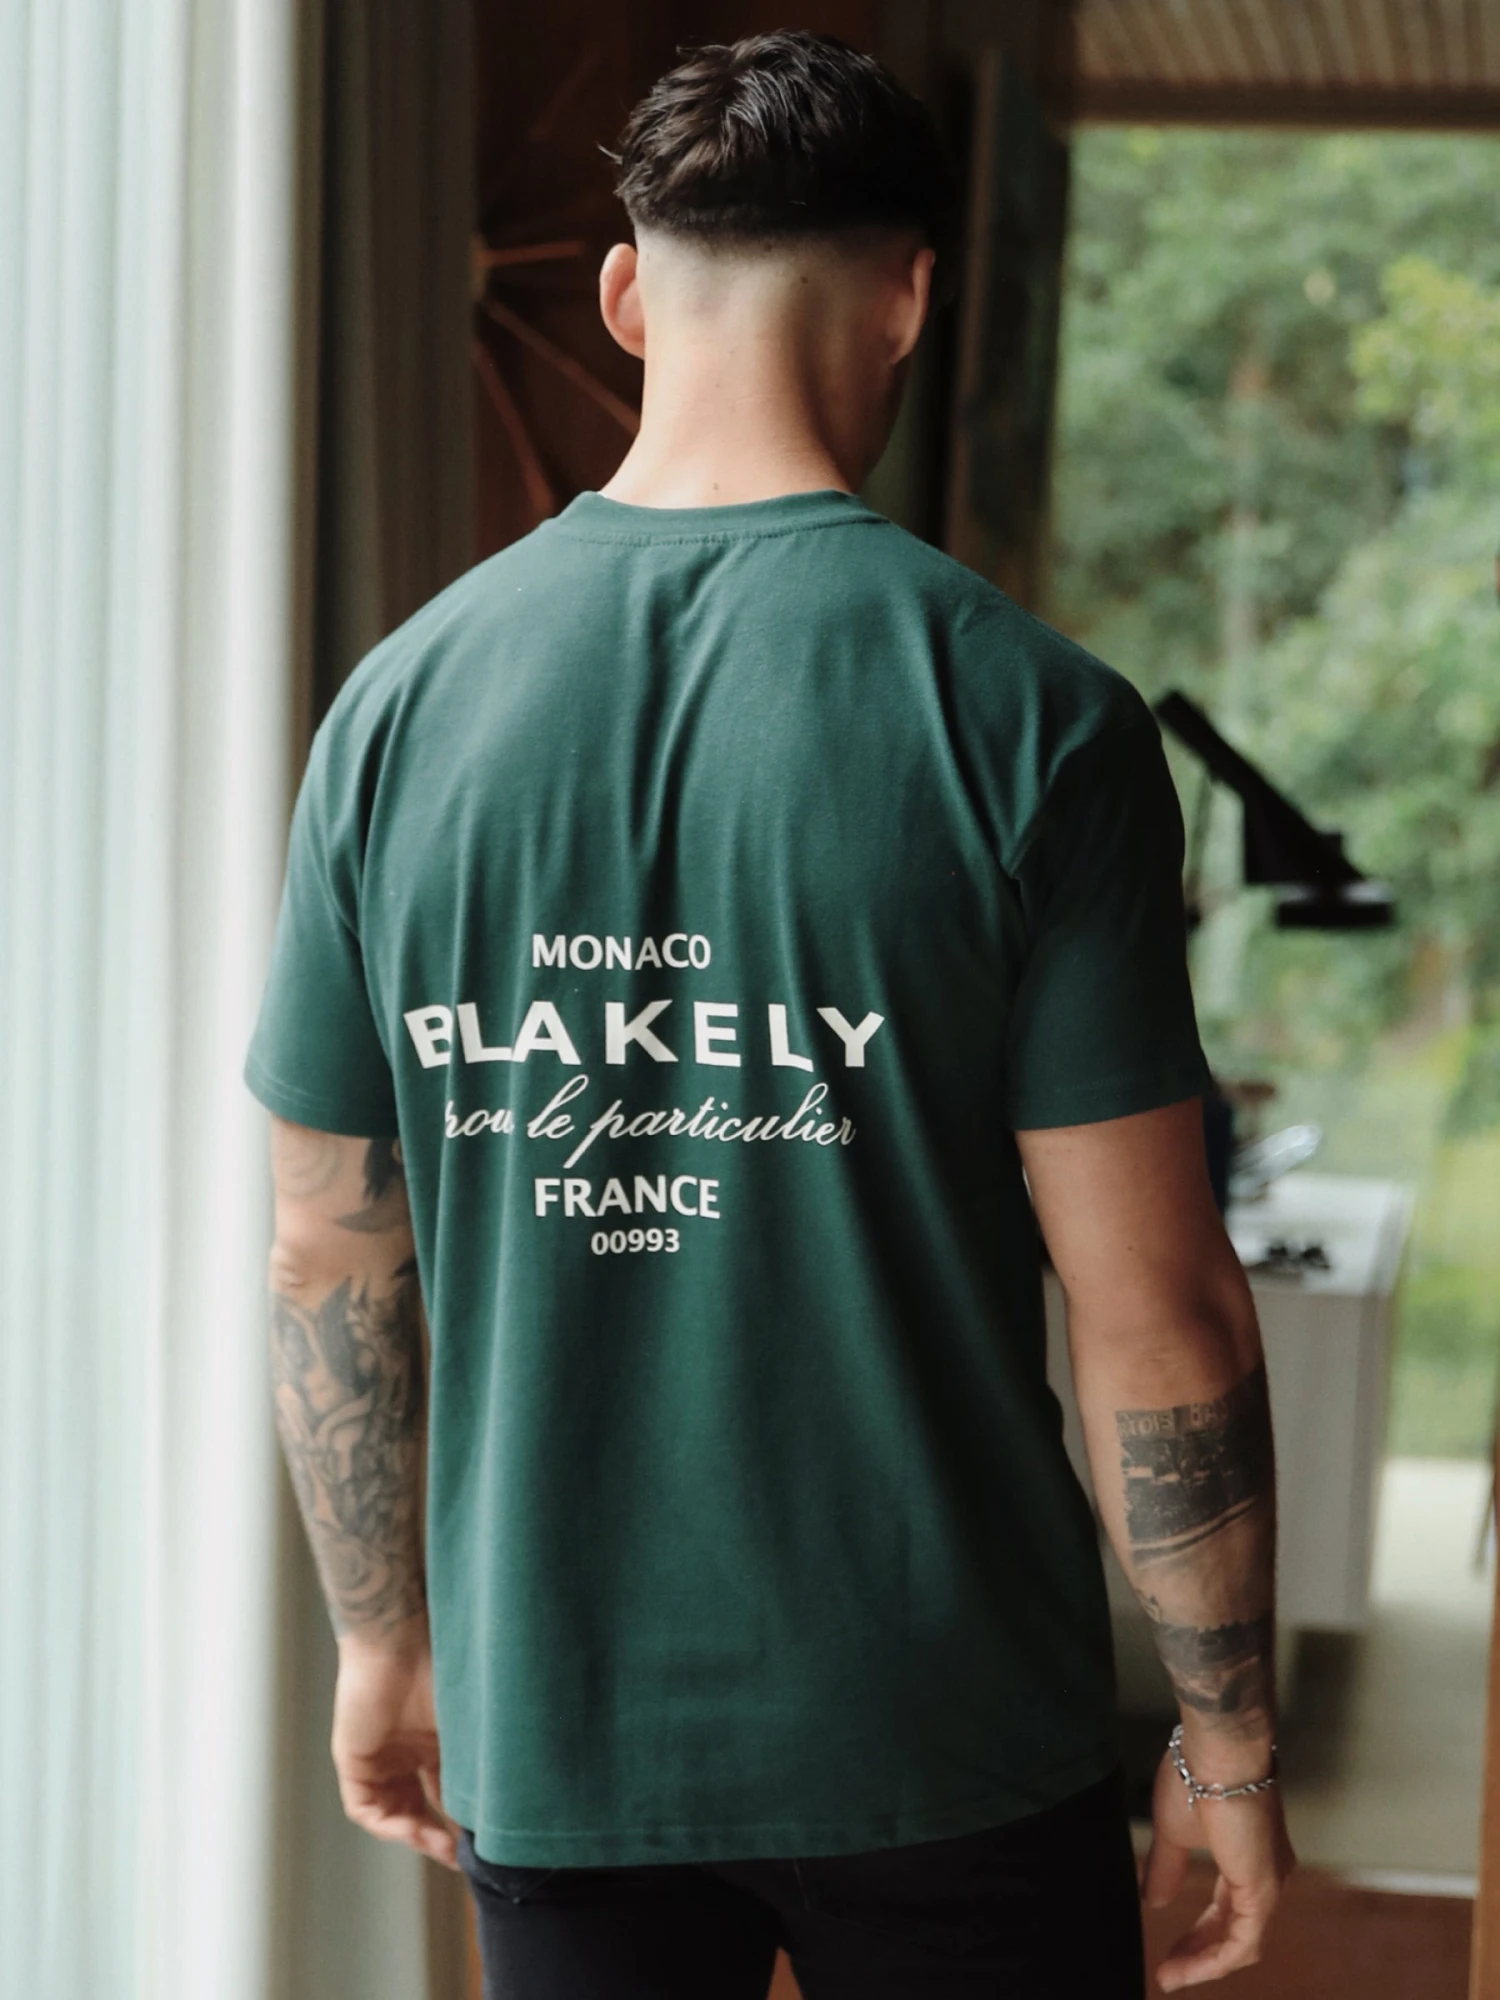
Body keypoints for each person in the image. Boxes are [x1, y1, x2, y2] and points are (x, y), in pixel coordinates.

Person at [246, 30, 1294, 1999]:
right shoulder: (1035, 719)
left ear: (624, 291)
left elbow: (329, 1245)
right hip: (950, 1727)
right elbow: (1159, 1309)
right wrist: (1226, 1740)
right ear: (912, 294)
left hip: (555, 1716)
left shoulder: (395, 713)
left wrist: (382, 1638)